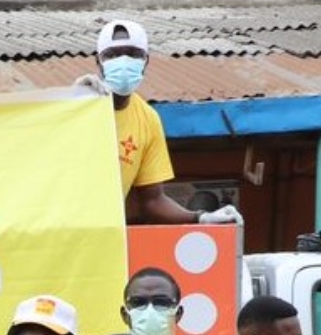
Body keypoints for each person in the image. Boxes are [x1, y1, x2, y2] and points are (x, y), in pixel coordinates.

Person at [93, 19, 235, 227]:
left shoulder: (148, 119)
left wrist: (201, 217)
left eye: (133, 54)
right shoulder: (77, 107)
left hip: (105, 236)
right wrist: (73, 100)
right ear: (99, 62)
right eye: (112, 55)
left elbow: (152, 200)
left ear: (145, 61)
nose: (123, 62)